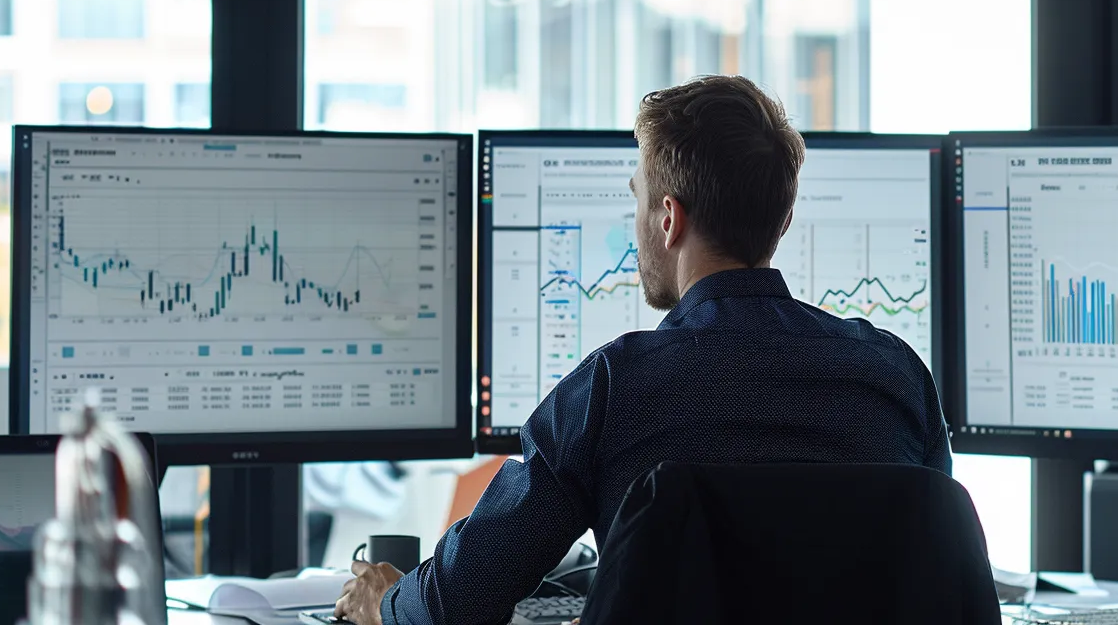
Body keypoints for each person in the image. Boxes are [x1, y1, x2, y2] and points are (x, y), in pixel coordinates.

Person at [336, 75, 951, 625]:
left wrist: (386, 603)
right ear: (782, 221)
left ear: (668, 219)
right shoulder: (894, 375)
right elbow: (932, 577)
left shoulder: (613, 387)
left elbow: (463, 600)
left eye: (638, 199)